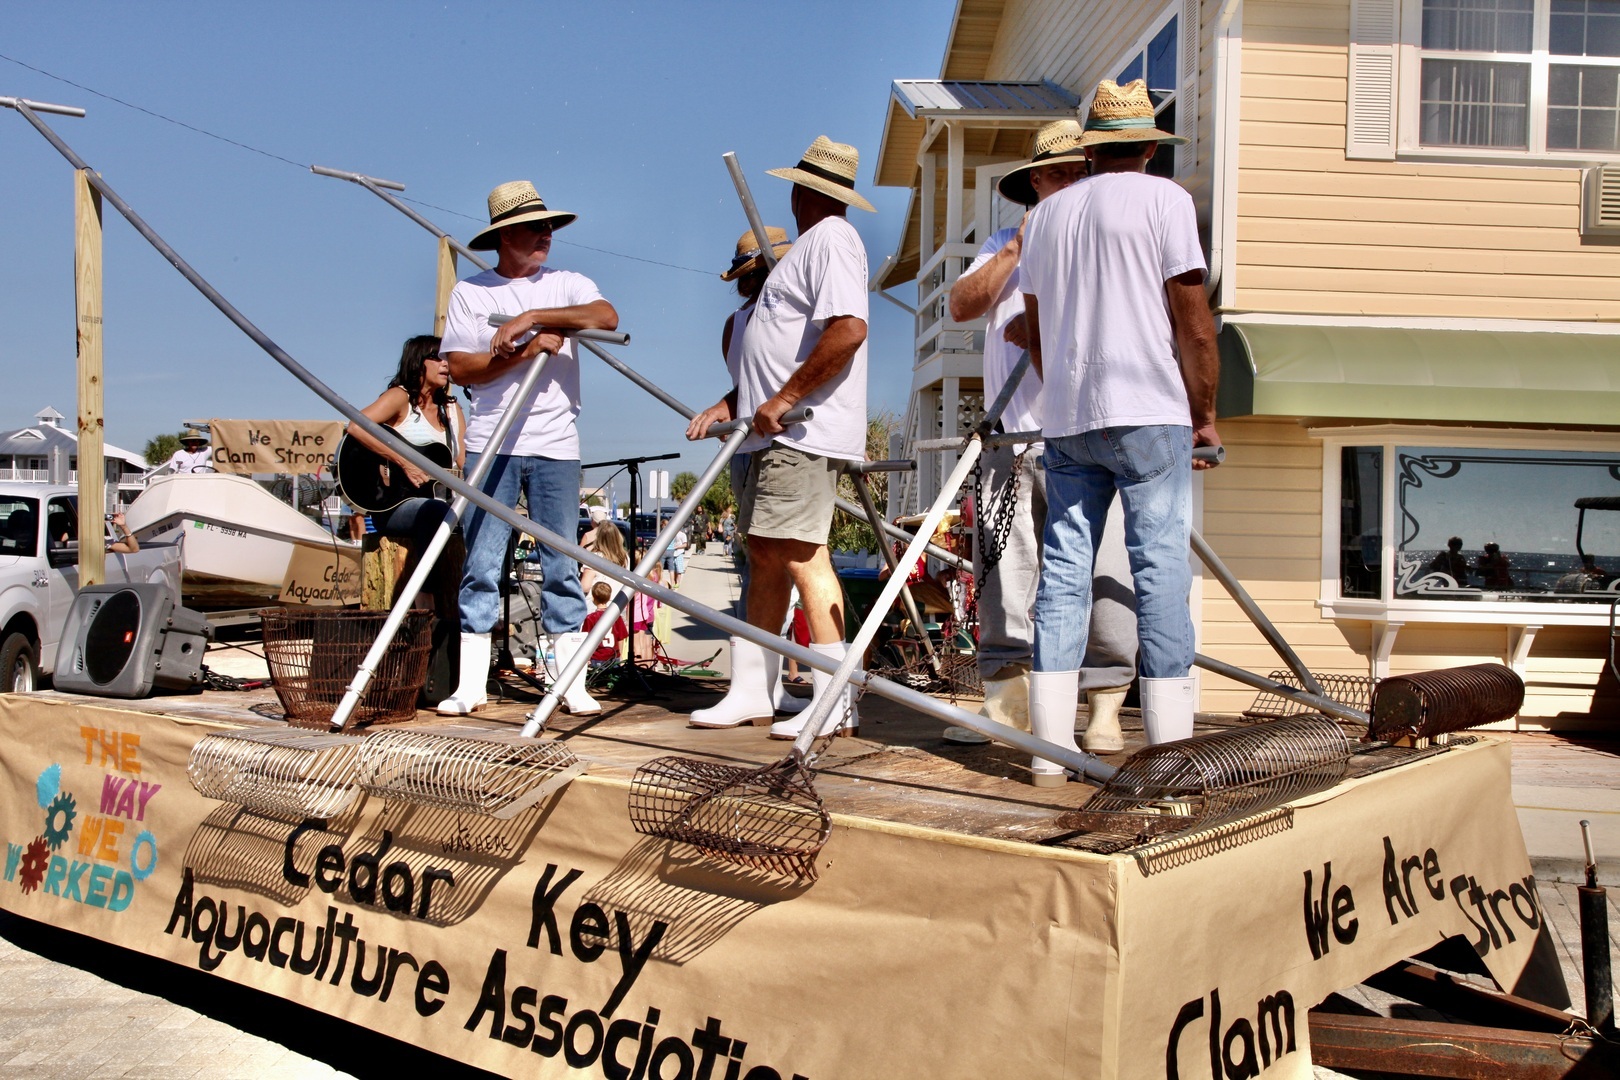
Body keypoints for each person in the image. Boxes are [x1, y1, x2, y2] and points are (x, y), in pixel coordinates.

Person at [1019, 80, 1222, 781]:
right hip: (1149, 409)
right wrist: (1205, 416)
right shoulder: (1165, 200)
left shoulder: (1047, 217)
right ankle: (1170, 757)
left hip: (1070, 417)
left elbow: (1035, 328)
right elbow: (1192, 321)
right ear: (1145, 145)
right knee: (1160, 570)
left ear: (1093, 148)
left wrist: (1062, 393)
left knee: (1064, 574)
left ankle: (1049, 754)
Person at [944, 119, 1137, 755]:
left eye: (1073, 174)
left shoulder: (1098, 238)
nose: (1060, 185)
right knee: (1006, 569)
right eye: (1051, 175)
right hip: (1009, 439)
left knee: (1102, 566)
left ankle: (1105, 702)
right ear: (1032, 182)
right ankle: (1007, 703)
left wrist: (1042, 327)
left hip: (1086, 429)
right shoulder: (1006, 240)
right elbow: (962, 307)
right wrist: (1013, 253)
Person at [685, 137, 874, 738]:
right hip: (771, 432)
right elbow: (773, 354)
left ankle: (832, 698)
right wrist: (738, 403)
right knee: (765, 553)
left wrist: (787, 399)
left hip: (800, 430)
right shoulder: (814, 248)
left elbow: (848, 330)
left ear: (800, 191)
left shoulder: (833, 240)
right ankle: (752, 691)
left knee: (799, 552)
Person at [435, 180, 619, 717]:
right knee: (483, 562)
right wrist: (524, 350)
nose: (545, 236)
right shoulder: (472, 292)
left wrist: (534, 318)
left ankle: (569, 682)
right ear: (503, 236)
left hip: (556, 443)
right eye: (533, 228)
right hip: (494, 442)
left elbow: (606, 316)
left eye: (549, 227)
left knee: (562, 562)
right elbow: (463, 367)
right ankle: (471, 685)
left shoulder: (566, 282)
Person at [347, 335, 467, 542]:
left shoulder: (451, 410)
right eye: (437, 357)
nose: (445, 363)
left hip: (444, 503)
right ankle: (429, 576)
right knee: (434, 511)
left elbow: (465, 463)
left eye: (447, 357)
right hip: (393, 504)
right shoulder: (400, 398)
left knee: (500, 519)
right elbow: (356, 426)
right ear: (417, 362)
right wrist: (404, 462)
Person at [582, 581, 629, 663]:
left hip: (597, 657)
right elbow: (621, 637)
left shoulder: (590, 618)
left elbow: (586, 639)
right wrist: (620, 654)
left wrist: (587, 657)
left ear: (593, 598)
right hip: (614, 656)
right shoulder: (616, 616)